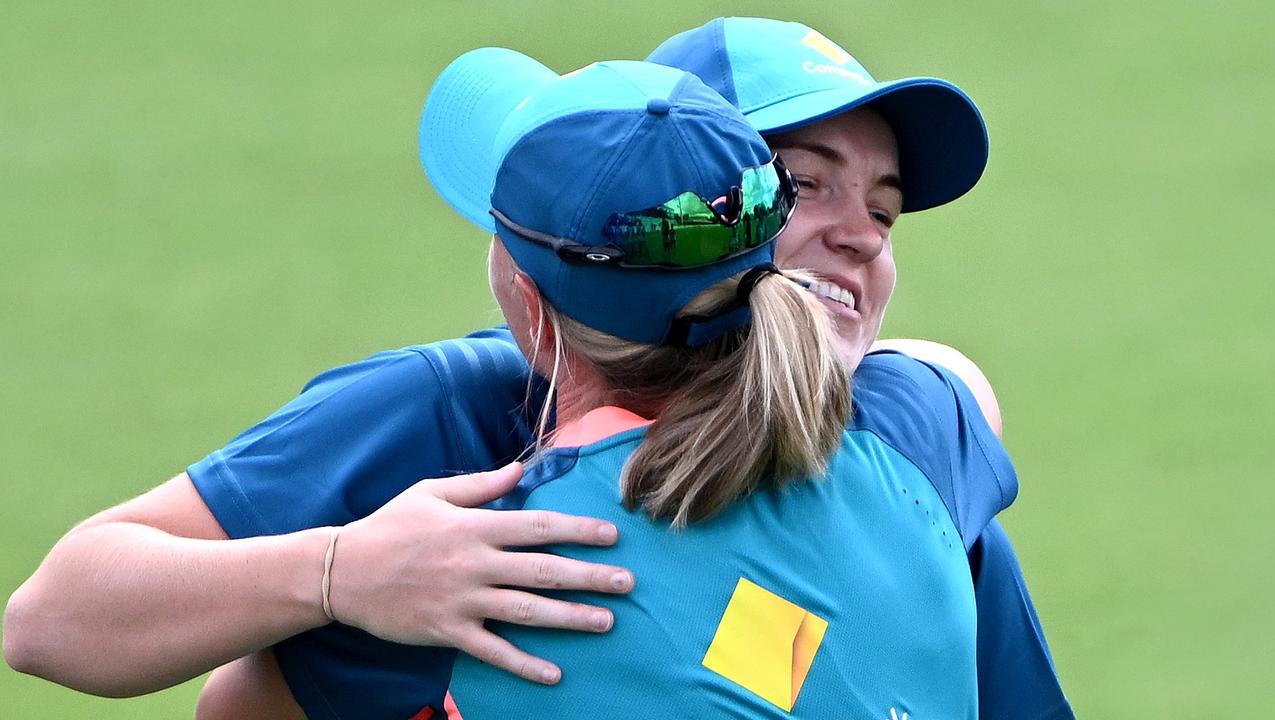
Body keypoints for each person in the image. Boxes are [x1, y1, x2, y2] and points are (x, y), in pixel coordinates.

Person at [2, 16, 1071, 720]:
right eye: (800, 186)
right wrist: (341, 572)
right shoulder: (921, 454)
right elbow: (55, 619)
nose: (861, 238)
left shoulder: (905, 461)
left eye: (881, 209)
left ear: (527, 294)